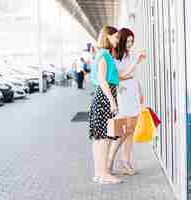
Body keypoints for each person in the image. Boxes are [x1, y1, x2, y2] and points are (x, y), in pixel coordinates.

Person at [108, 28, 146, 175]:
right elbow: (121, 76)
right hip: (124, 95)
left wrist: (140, 90)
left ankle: (125, 161)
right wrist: (136, 61)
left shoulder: (129, 55)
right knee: (125, 129)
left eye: (132, 41)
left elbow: (134, 75)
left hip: (133, 92)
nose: (130, 44)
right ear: (122, 40)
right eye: (128, 41)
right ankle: (110, 157)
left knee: (131, 130)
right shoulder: (114, 57)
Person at [88, 25, 122, 184]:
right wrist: (112, 100)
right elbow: (102, 80)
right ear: (107, 37)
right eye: (115, 37)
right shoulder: (104, 55)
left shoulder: (103, 54)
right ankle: (103, 173)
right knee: (104, 138)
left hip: (103, 97)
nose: (117, 40)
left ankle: (99, 173)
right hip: (104, 98)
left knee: (100, 138)